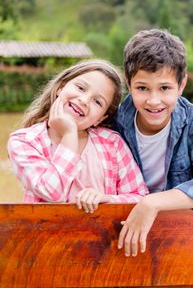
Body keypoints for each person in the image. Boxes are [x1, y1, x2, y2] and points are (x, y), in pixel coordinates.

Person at [114, 29, 193, 257]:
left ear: (181, 85)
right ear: (129, 84)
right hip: (125, 233)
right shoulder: (116, 122)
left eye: (165, 88)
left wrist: (153, 202)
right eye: (142, 88)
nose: (154, 100)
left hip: (182, 237)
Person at [7, 59, 148, 213]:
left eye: (98, 102)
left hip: (101, 235)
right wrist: (69, 135)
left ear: (100, 118)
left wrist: (108, 199)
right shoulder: (25, 142)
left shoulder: (112, 143)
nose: (84, 100)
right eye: (80, 88)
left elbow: (139, 196)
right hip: (45, 235)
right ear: (61, 88)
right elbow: (52, 193)